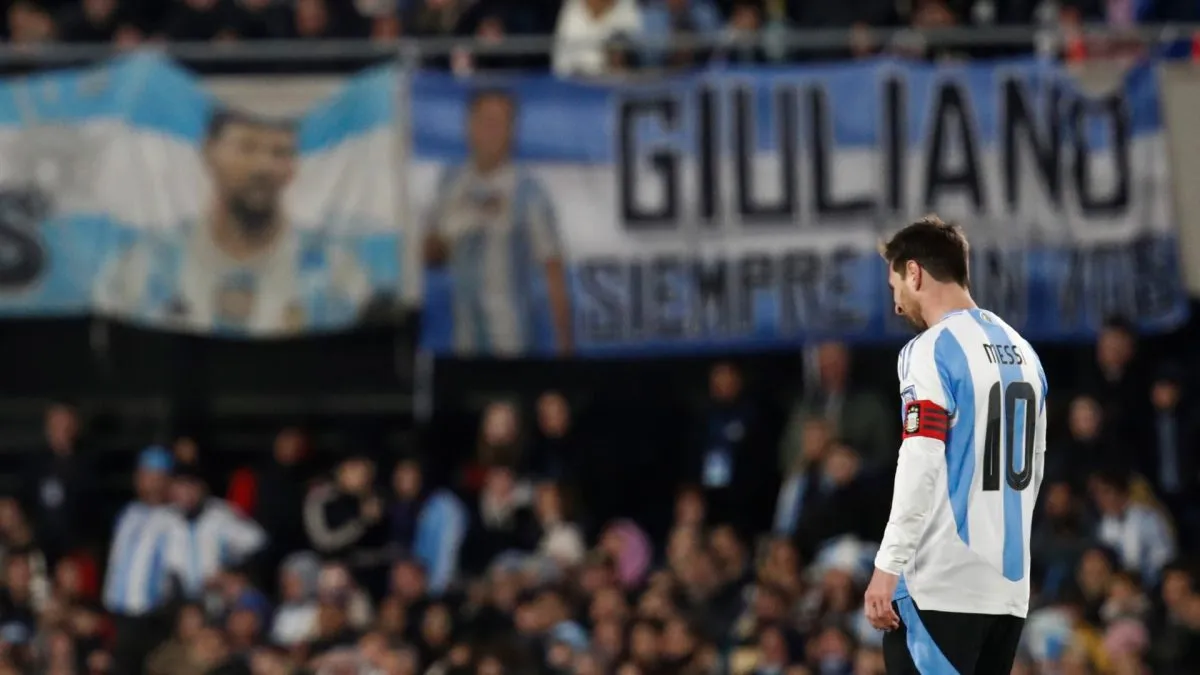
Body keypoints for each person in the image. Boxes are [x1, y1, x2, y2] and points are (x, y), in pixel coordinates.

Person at [862, 216, 1049, 675]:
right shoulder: (1025, 351)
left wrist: (888, 565)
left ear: (914, 273)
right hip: (1008, 592)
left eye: (894, 288)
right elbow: (1036, 465)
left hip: (940, 585)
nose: (896, 304)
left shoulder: (928, 350)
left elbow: (920, 458)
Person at [93, 109, 371, 335]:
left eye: (279, 152)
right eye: (247, 148)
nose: (263, 166)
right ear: (209, 152)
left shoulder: (336, 273)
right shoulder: (146, 265)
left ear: (293, 167)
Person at [423, 88, 572, 356]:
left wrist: (564, 351)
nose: (491, 131)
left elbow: (553, 271)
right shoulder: (450, 184)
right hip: (463, 345)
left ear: (512, 132)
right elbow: (431, 256)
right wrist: (453, 227)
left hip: (512, 343)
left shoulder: (528, 191)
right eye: (485, 121)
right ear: (469, 126)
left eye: (500, 123)